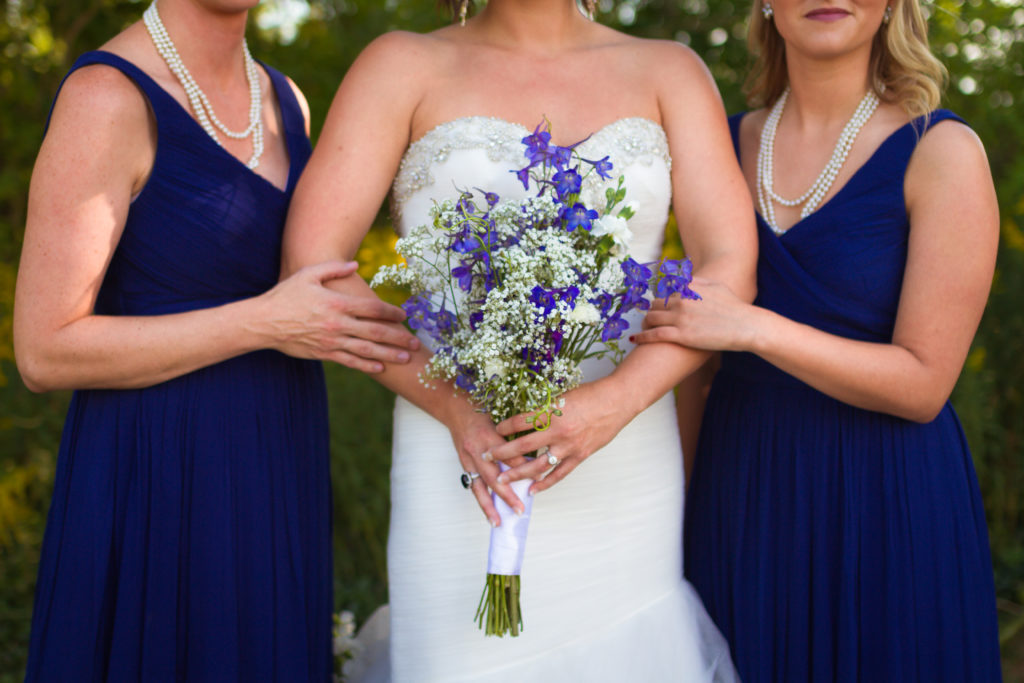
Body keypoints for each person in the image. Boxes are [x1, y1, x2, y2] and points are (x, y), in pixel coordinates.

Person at [282, 0, 756, 680]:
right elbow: (313, 268)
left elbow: (728, 270)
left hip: (624, 461)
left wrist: (617, 400)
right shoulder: (400, 65)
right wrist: (454, 408)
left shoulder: (669, 72)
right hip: (459, 458)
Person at [13, 0, 420, 679]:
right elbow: (43, 349)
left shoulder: (285, 101)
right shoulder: (107, 96)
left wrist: (479, 377)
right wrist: (261, 321)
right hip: (159, 470)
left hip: (277, 454)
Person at [632, 0, 1002, 679]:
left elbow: (924, 384)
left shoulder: (941, 151)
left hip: (886, 499)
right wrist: (672, 517)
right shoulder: (716, 145)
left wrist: (756, 328)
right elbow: (696, 360)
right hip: (743, 490)